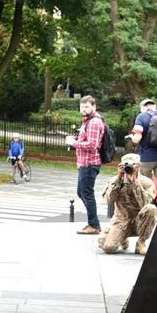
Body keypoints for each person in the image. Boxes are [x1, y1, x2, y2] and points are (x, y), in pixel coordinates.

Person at [100, 154, 157, 254]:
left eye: (132, 165)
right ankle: (119, 236)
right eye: (126, 166)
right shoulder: (115, 180)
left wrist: (135, 184)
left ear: (139, 166)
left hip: (139, 220)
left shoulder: (147, 182)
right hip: (121, 220)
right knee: (108, 248)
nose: (129, 168)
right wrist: (118, 179)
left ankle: (141, 243)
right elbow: (108, 200)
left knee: (151, 209)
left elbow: (144, 204)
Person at [66, 95, 107, 235]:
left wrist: (73, 143)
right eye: (82, 106)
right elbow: (86, 139)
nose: (84, 109)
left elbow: (92, 145)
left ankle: (93, 225)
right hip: (84, 163)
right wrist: (76, 139)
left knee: (87, 193)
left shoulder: (94, 122)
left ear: (94, 107)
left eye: (87, 106)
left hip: (90, 163)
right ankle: (94, 222)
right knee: (81, 192)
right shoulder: (87, 121)